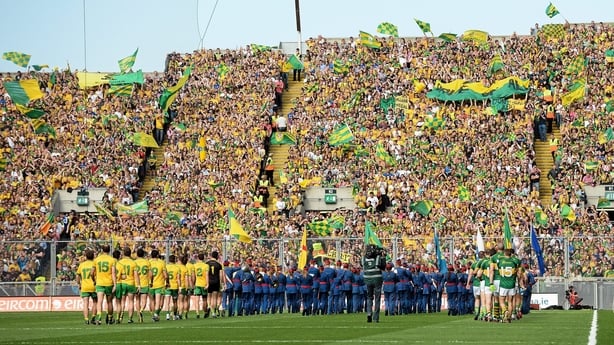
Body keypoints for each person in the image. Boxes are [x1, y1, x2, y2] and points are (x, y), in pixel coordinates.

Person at [92, 244, 117, 325]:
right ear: (109, 250)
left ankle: (99, 318)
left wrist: (94, 280)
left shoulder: (96, 260)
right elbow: (113, 273)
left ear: (102, 250)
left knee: (99, 301)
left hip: (99, 282)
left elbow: (91, 272)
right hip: (109, 283)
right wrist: (115, 284)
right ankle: (110, 319)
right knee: (109, 301)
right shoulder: (112, 260)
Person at [361, 244, 385, 323]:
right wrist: (383, 256)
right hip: (377, 278)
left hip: (367, 279)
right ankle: (376, 317)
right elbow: (382, 267)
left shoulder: (364, 257)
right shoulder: (377, 257)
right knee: (377, 298)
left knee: (369, 297)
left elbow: (362, 265)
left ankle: (369, 313)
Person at [116, 247, 140, 323]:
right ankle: (130, 318)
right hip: (131, 283)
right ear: (130, 253)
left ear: (123, 253)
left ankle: (121, 316)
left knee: (122, 301)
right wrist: (138, 285)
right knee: (131, 301)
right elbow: (136, 275)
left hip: (122, 283)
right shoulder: (133, 263)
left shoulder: (120, 262)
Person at [76, 249, 97, 324]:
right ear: (93, 256)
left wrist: (79, 284)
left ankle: (86, 319)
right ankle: (93, 317)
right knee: (95, 302)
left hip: (84, 286)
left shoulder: (82, 265)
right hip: (93, 286)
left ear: (86, 257)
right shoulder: (95, 264)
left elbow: (78, 276)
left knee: (85, 303)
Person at [148, 249, 167, 322]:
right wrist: (167, 282)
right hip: (159, 284)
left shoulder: (148, 262)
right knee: (159, 301)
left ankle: (153, 314)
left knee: (152, 300)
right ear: (157, 255)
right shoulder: (162, 263)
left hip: (150, 284)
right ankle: (156, 314)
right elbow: (165, 275)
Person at [134, 248, 150, 323]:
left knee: (137, 300)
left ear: (137, 254)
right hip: (145, 283)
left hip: (136, 284)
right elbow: (150, 273)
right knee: (144, 300)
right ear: (143, 254)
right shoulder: (147, 262)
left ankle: (138, 314)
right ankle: (141, 310)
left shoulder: (134, 262)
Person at [206, 250, 224, 318]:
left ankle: (209, 307)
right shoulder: (219, 264)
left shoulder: (207, 263)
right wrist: (221, 283)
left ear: (211, 256)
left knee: (209, 296)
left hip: (209, 281)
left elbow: (206, 274)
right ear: (217, 256)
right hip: (216, 281)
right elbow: (221, 275)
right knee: (214, 298)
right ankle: (213, 312)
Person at [193, 253, 209, 318]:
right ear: (203, 258)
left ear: (198, 258)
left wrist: (193, 283)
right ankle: (205, 312)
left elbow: (193, 276)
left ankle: (197, 313)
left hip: (197, 284)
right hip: (204, 284)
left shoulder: (195, 265)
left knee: (197, 299)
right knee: (204, 299)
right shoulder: (206, 266)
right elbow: (207, 275)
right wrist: (207, 284)